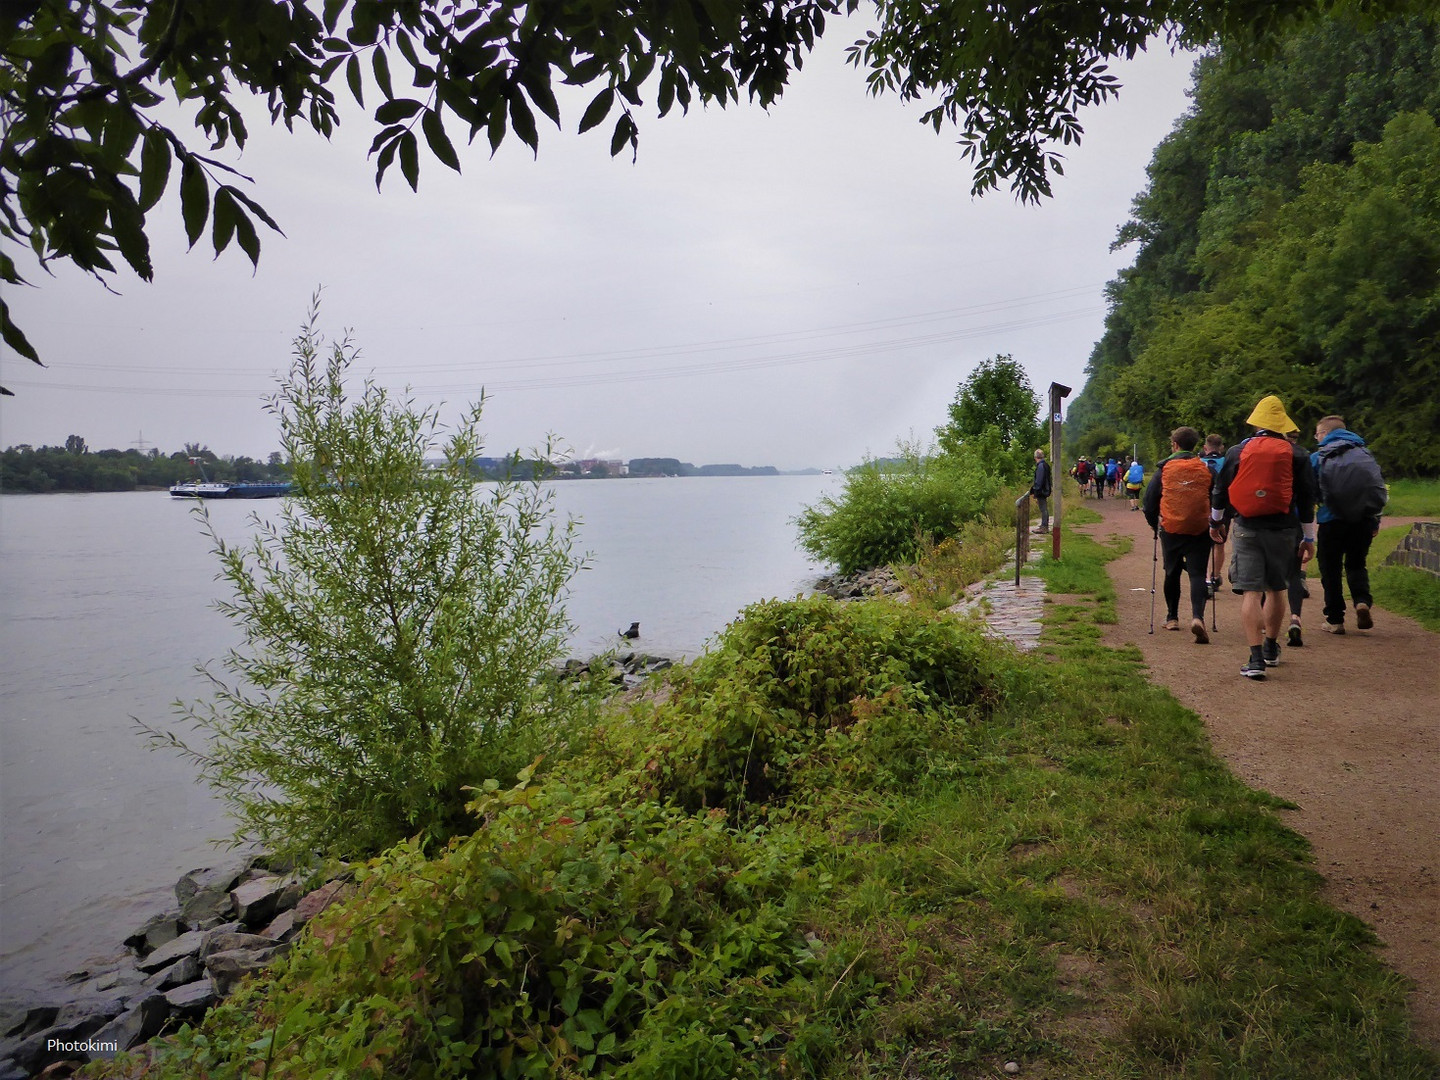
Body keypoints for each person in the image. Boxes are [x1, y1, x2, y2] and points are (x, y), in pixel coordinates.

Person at [1210, 395, 1318, 680]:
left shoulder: (1236, 451)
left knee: (1251, 591)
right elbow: (1307, 499)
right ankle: (1271, 648)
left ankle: (1255, 658)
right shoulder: (1297, 454)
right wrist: (1309, 538)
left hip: (1247, 526)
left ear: (1256, 422)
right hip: (1284, 528)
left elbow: (1220, 491)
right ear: (1281, 424)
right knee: (1277, 588)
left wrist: (1215, 522)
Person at [1311, 415, 1388, 634]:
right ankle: (1362, 601)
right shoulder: (1365, 453)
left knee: (1330, 569)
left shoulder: (1318, 457)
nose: (1317, 438)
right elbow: (1377, 488)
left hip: (1331, 519)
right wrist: (1375, 520)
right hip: (1363, 519)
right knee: (1356, 563)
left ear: (1325, 433)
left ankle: (1335, 619)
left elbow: (1310, 491)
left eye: (1317, 434)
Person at [1143, 427, 1215, 643]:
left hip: (1171, 528)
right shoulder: (1205, 468)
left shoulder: (1164, 469)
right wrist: (1218, 522)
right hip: (1200, 528)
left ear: (1174, 444)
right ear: (1195, 445)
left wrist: (1156, 526)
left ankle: (1172, 617)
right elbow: (1218, 496)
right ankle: (1197, 617)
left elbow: (1148, 504)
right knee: (1197, 574)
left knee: (1171, 571)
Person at [1030, 448, 1052, 533]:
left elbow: (1039, 480)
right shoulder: (1045, 465)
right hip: (1045, 489)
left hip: (1042, 491)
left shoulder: (1040, 466)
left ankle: (1044, 527)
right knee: (1044, 508)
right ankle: (1044, 525)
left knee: (1043, 508)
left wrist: (1035, 490)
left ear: (1035, 457)